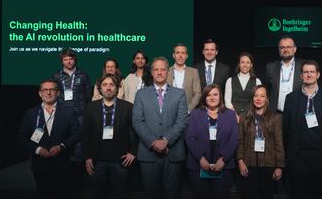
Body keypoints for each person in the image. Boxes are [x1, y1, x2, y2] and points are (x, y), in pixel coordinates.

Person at [132, 57, 188, 199]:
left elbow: (182, 120)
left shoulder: (179, 93)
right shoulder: (141, 94)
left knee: (172, 194)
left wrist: (166, 140)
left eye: (163, 69)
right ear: (151, 72)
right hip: (148, 153)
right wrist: (154, 142)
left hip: (173, 153)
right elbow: (137, 121)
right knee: (151, 194)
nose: (159, 72)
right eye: (156, 69)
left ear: (168, 72)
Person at [282, 60, 322, 199]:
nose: (309, 75)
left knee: (320, 194)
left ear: (318, 74)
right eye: (305, 72)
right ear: (300, 75)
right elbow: (286, 126)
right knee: (298, 194)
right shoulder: (291, 98)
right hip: (298, 156)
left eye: (312, 72)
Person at [18, 79, 81, 199]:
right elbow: (22, 137)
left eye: (52, 89)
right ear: (40, 93)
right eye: (45, 90)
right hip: (40, 165)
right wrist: (37, 149)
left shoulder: (69, 112)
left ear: (57, 93)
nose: (48, 93)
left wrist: (62, 146)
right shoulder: (31, 113)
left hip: (62, 165)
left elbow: (77, 134)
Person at [82, 74, 138, 199]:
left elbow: (135, 132)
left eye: (112, 85)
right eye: (105, 85)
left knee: (120, 193)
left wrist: (133, 152)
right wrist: (87, 157)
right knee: (98, 194)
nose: (108, 88)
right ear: (100, 88)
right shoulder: (91, 107)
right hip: (97, 161)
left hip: (121, 160)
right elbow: (86, 134)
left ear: (117, 88)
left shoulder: (128, 107)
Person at [185, 84, 239, 199]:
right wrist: (201, 158)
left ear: (220, 96)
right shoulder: (195, 114)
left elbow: (234, 139)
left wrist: (223, 159)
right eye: (208, 95)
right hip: (197, 165)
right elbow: (190, 137)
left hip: (223, 166)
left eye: (215, 94)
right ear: (204, 97)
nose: (212, 98)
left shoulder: (230, 114)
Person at [52, 48, 92, 198]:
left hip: (80, 115)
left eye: (71, 59)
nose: (69, 61)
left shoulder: (83, 74)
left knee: (79, 148)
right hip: (63, 115)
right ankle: (64, 182)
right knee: (64, 144)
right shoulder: (56, 76)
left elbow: (88, 95)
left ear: (75, 60)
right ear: (62, 61)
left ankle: (79, 183)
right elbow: (54, 95)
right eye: (65, 59)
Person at [237, 85, 284, 199]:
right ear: (252, 98)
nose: (258, 99)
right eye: (256, 95)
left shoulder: (275, 118)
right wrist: (240, 161)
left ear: (267, 98)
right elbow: (240, 141)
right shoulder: (244, 117)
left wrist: (279, 167)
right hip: (248, 165)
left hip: (268, 165)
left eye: (262, 96)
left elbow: (279, 143)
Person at [265, 36, 305, 113]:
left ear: (295, 49)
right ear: (279, 50)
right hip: (276, 114)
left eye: (288, 47)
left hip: (297, 113)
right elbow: (266, 90)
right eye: (282, 47)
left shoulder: (304, 66)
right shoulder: (270, 67)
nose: (285, 50)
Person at [224, 52, 262, 119]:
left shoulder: (257, 81)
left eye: (247, 62)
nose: (245, 65)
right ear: (239, 64)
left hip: (251, 117)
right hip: (233, 117)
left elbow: (259, 101)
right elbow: (227, 102)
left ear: (251, 65)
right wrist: (235, 116)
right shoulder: (230, 80)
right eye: (242, 62)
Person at [166, 43, 201, 112]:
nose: (180, 56)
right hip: (169, 112)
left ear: (187, 56)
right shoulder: (167, 71)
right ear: (173, 55)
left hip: (188, 113)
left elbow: (197, 94)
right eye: (178, 53)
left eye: (183, 53)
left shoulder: (194, 72)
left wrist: (188, 109)